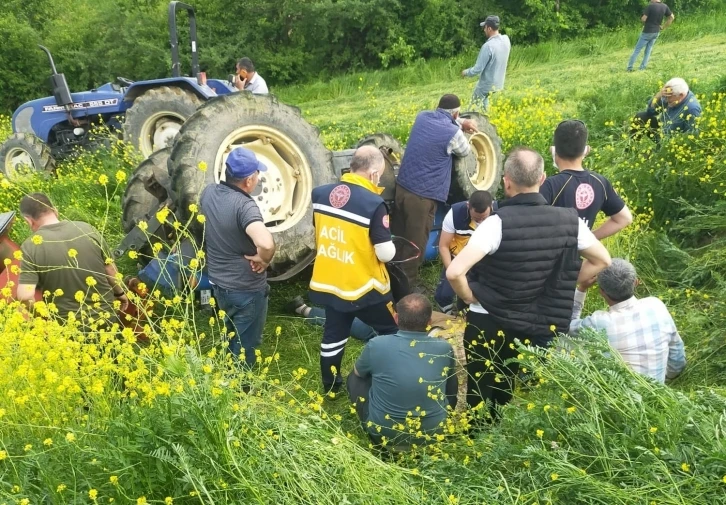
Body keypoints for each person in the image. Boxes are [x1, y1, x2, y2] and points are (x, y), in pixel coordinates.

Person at [446, 147, 612, 420]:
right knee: (517, 387)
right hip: (537, 319)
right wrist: (568, 281)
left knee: (482, 389)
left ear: (506, 181)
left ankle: (480, 438)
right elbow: (602, 260)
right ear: (543, 178)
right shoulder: (570, 221)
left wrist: (468, 297)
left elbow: (454, 273)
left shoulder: (494, 224)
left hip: (489, 319)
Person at [309, 146, 399, 393]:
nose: (379, 179)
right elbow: (384, 253)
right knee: (392, 330)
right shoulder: (374, 203)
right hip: (364, 286)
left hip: (331, 280)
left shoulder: (320, 194)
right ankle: (391, 379)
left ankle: (330, 387)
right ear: (371, 174)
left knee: (334, 335)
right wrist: (392, 246)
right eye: (379, 174)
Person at [540, 120, 633, 318]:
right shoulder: (600, 182)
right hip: (573, 268)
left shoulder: (550, 186)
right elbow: (624, 218)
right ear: (586, 150)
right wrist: (589, 238)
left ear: (554, 151)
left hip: (543, 268)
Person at [347, 294, 458, 448]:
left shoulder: (377, 344)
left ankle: (371, 422)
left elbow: (359, 374)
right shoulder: (444, 348)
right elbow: (450, 386)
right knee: (450, 375)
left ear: (396, 318)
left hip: (383, 434)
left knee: (354, 376)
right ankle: (445, 416)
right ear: (429, 322)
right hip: (433, 435)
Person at [391, 94, 478, 290]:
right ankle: (407, 291)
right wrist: (460, 126)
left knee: (397, 237)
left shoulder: (423, 116)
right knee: (415, 245)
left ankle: (390, 279)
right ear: (455, 113)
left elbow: (449, 118)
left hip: (402, 188)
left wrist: (461, 121)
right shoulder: (453, 133)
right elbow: (464, 151)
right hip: (422, 196)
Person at [200, 147, 275, 368]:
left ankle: (226, 371)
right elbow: (266, 242)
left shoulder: (209, 192)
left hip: (219, 283)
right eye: (257, 175)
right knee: (246, 342)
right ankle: (241, 387)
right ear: (249, 180)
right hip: (245, 288)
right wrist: (264, 259)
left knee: (230, 328)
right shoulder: (245, 206)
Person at [16, 193, 128, 323]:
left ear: (28, 221)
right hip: (107, 318)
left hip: (69, 329)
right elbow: (110, 269)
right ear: (55, 210)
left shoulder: (30, 247)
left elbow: (25, 296)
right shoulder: (87, 229)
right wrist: (120, 293)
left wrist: (40, 317)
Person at [570, 258, 686, 383]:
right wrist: (668, 377)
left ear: (602, 292)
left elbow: (566, 325)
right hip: (657, 394)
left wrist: (582, 288)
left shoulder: (599, 322)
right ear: (636, 282)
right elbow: (677, 355)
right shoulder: (656, 306)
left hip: (618, 397)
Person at [434, 191, 494, 313]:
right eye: (477, 218)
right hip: (459, 259)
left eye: (484, 218)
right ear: (468, 206)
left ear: (491, 207)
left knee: (477, 295)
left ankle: (468, 314)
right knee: (443, 296)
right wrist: (452, 273)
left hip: (486, 262)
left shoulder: (499, 214)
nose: (480, 222)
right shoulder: (455, 214)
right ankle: (447, 319)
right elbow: (444, 246)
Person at [461, 15, 511, 110]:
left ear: (489, 28)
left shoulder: (488, 46)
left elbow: (478, 69)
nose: (484, 30)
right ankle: (486, 118)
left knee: (472, 110)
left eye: (485, 27)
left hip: (486, 84)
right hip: (499, 83)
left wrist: (465, 72)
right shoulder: (506, 39)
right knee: (485, 106)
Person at [632, 78, 702, 140]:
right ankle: (631, 147)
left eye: (669, 98)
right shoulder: (670, 95)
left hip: (674, 141)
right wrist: (658, 95)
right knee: (641, 117)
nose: (667, 100)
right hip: (664, 130)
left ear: (681, 95)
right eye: (665, 96)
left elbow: (691, 137)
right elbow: (650, 112)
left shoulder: (692, 108)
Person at [627, 0, 674, 72]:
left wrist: (643, 19)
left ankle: (629, 68)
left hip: (647, 31)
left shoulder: (650, 6)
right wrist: (663, 27)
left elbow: (643, 19)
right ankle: (642, 68)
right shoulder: (664, 6)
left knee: (637, 50)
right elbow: (672, 17)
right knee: (648, 50)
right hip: (656, 31)